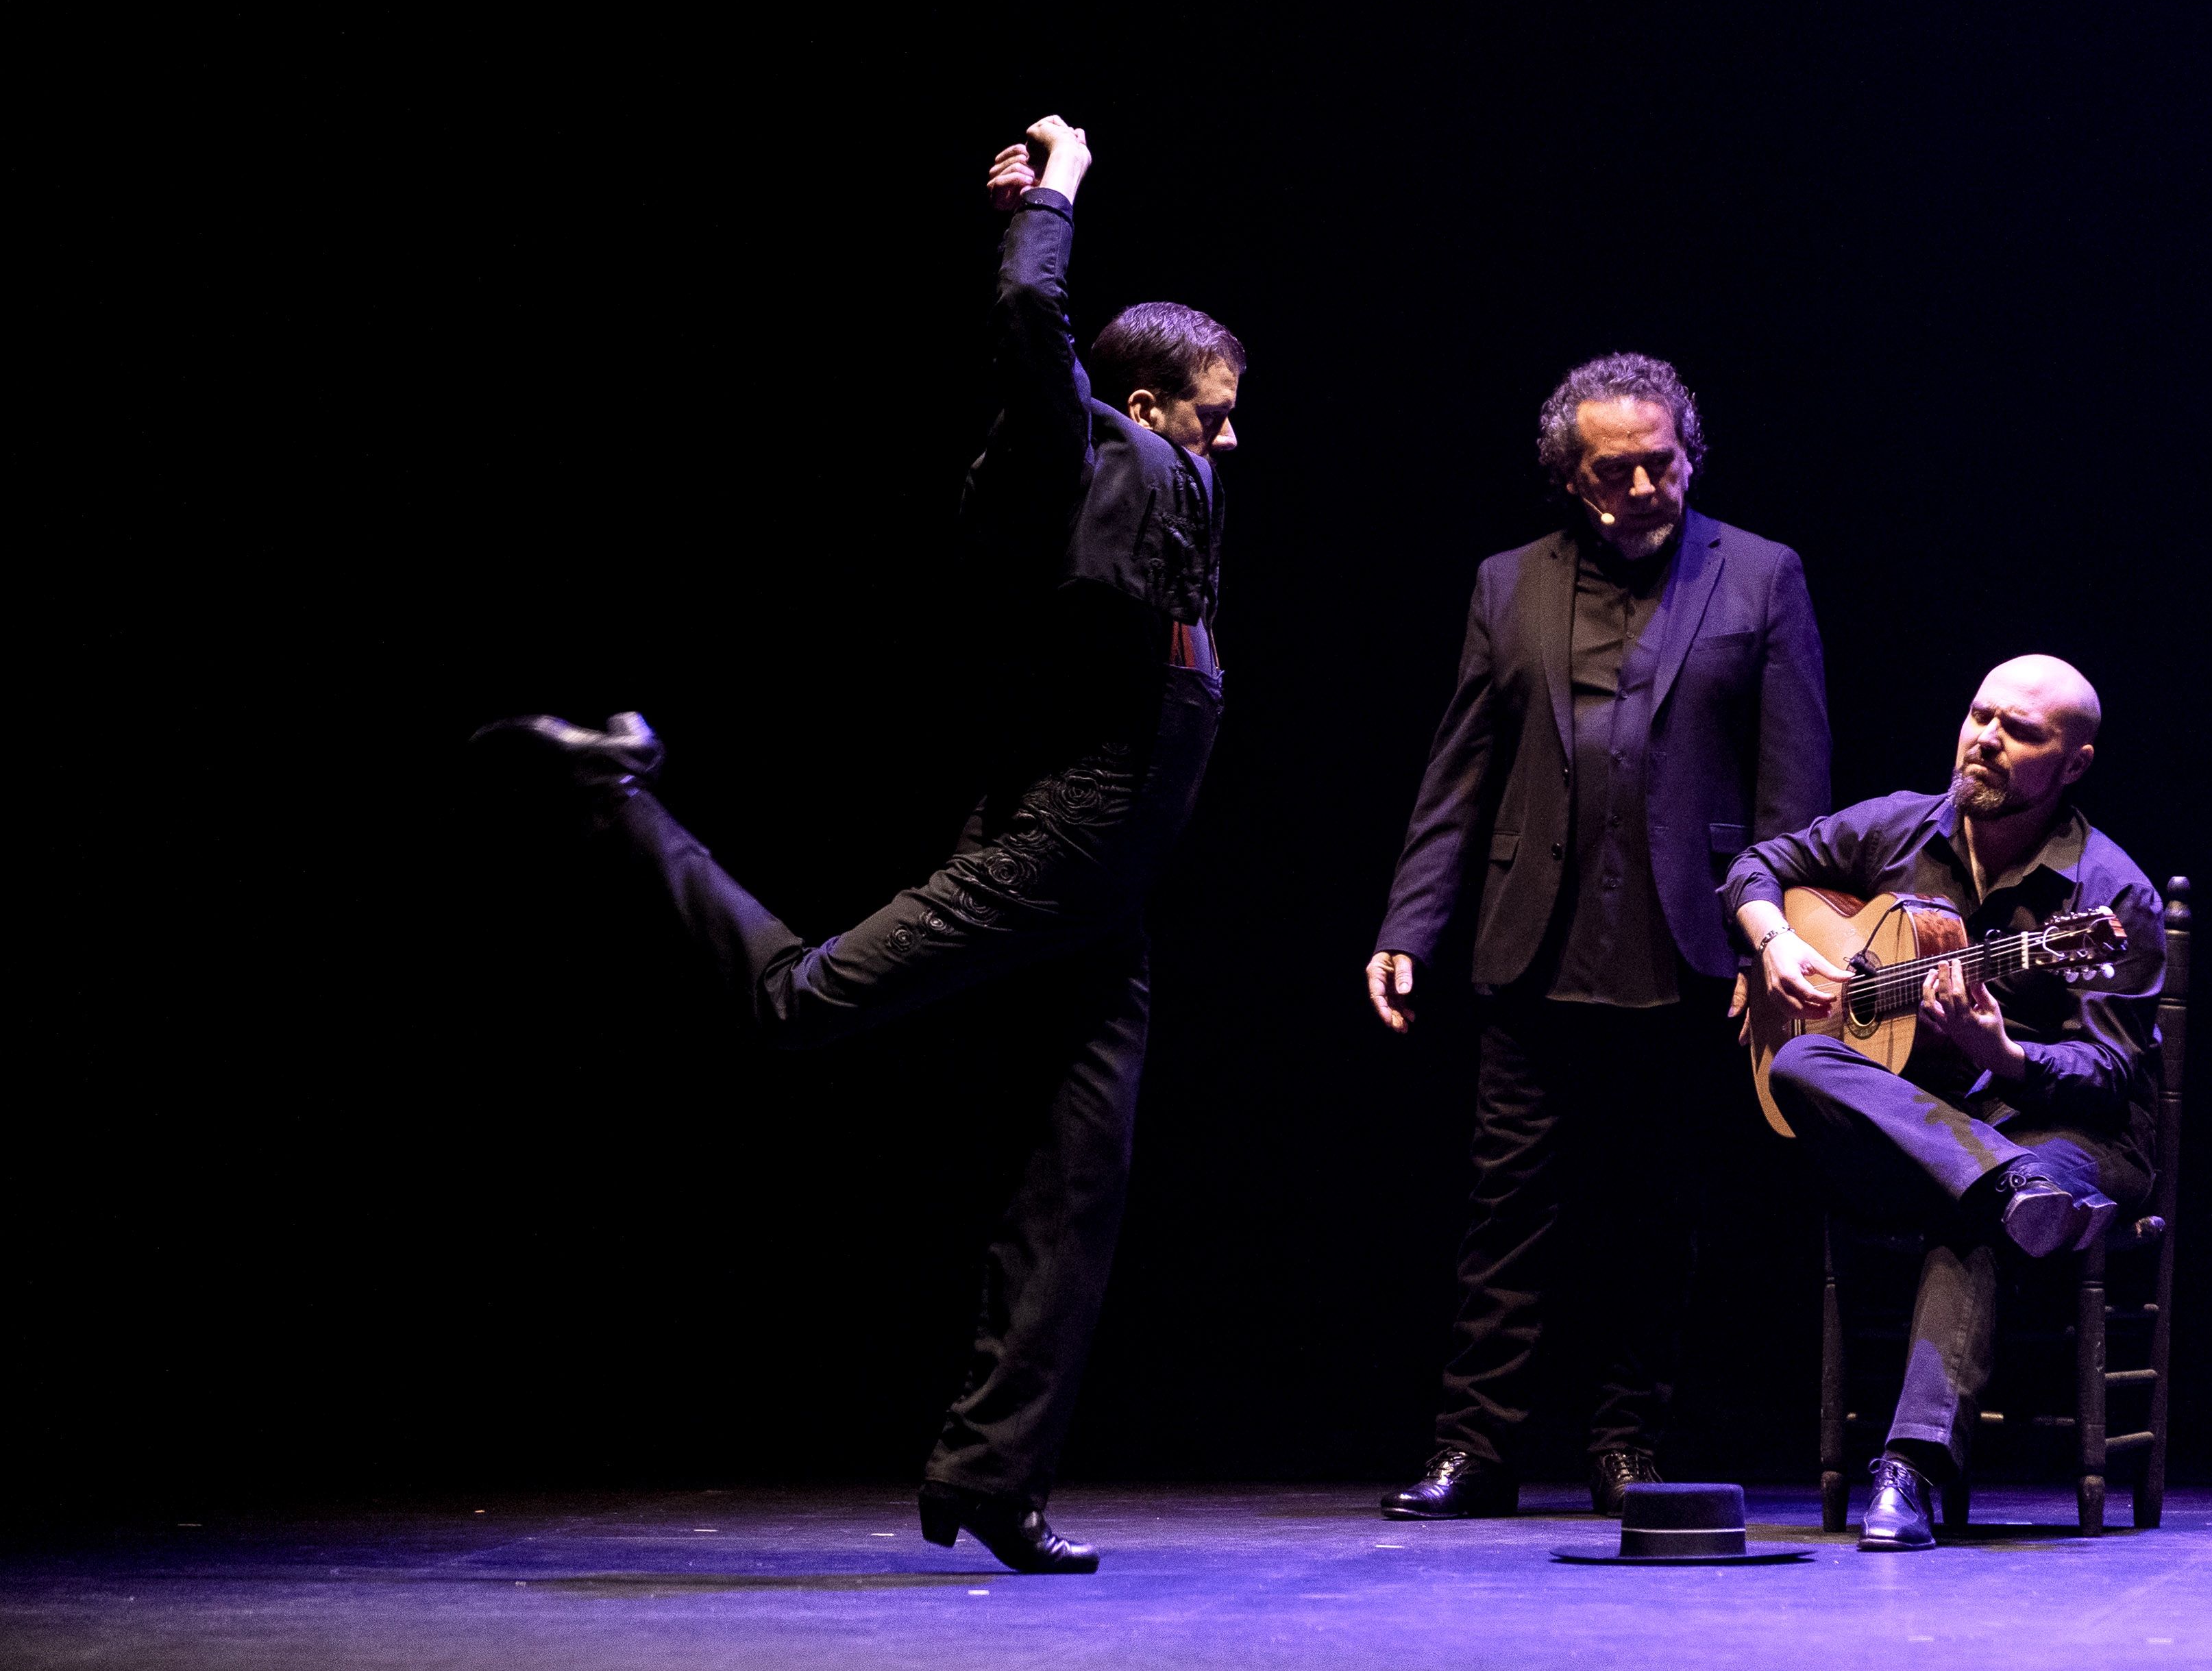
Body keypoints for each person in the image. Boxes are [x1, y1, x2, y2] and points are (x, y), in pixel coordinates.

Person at [472, 117, 1243, 1573]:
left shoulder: (1170, 506)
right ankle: (615, 793)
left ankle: (993, 1473)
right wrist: (1061, 189)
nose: (1229, 438)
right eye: (1214, 411)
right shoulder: (1076, 455)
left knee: (1077, 1183)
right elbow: (1029, 316)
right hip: (1043, 853)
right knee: (799, 1005)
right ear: (1149, 400)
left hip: (1106, 901)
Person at [1367, 354, 1832, 1520]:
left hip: (1688, 953)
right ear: (1569, 480)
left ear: (1692, 456)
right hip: (1534, 951)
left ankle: (1630, 1443)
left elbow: (1795, 792)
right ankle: (1475, 1449)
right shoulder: (1506, 584)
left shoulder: (1762, 576)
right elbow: (1458, 774)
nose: (1640, 489)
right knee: (1505, 1211)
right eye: (1611, 472)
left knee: (1657, 1214)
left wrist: (1776, 944)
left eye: (1659, 465)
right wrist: (1409, 921)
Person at [1725, 654, 2162, 1551]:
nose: (1986, 741)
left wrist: (2002, 1055)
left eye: (2020, 731)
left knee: (1981, 1205)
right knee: (1803, 1062)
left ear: (2074, 762)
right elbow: (1759, 862)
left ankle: (1911, 1468)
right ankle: (2000, 1189)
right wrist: (1771, 940)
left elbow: (2114, 1074)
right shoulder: (1896, 829)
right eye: (1979, 716)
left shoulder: (2108, 896)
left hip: (2066, 1141)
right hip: (1932, 1137)